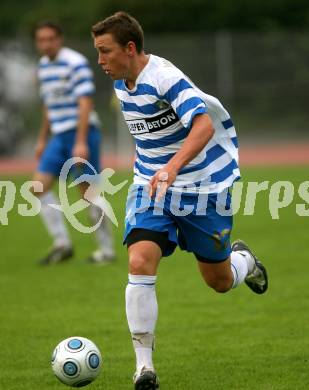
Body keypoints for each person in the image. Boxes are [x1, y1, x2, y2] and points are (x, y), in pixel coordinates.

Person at [91, 12, 268, 390]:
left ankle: (245, 261)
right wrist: (158, 173)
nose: (100, 61)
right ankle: (144, 368)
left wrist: (172, 167)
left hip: (201, 189)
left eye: (105, 52)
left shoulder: (165, 78)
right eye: (98, 53)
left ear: (130, 48)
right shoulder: (123, 82)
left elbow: (202, 125)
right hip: (150, 185)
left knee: (218, 281)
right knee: (139, 259)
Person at [32, 21, 115, 265]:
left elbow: (85, 102)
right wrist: (41, 139)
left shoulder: (75, 63)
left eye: (50, 39)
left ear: (60, 39)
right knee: (38, 187)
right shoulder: (43, 66)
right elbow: (48, 105)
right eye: (41, 40)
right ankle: (62, 244)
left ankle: (106, 249)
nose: (46, 44)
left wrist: (80, 141)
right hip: (59, 136)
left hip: (83, 132)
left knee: (88, 193)